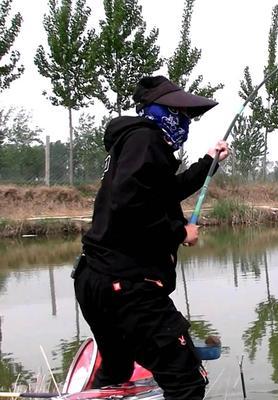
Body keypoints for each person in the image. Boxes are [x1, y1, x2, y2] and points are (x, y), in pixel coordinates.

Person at [72, 76, 229, 400]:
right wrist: (178, 231)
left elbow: (164, 192)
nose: (185, 123)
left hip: (95, 279)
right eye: (181, 115)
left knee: (117, 368)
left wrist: (208, 163)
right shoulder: (146, 139)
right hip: (127, 286)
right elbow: (127, 203)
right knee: (187, 383)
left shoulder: (133, 143)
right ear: (163, 113)